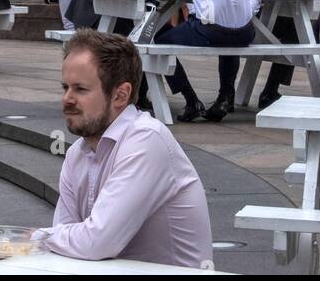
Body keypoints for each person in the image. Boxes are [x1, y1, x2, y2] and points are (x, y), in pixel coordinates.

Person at [32, 31, 213, 267]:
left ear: (120, 95)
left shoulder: (146, 140)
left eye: (80, 89)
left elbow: (98, 241)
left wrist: (37, 237)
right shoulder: (78, 152)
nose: (67, 99)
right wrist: (52, 239)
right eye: (65, 87)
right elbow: (65, 242)